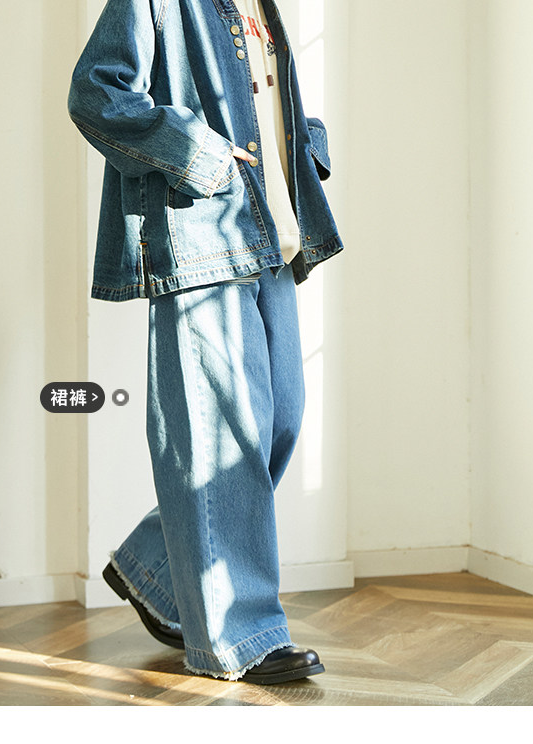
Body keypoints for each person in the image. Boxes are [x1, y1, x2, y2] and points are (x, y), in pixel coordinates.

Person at [68, 0, 343, 684]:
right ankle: (241, 636)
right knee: (220, 439)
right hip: (201, 242)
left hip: (272, 239)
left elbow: (269, 101)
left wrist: (307, 146)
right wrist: (199, 151)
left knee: (279, 422)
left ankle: (156, 571)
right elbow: (97, 91)